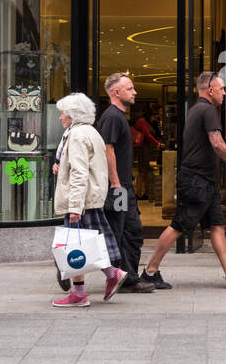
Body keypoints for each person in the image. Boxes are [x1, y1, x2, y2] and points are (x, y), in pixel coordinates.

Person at [140, 72, 226, 290]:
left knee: (217, 224)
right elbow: (216, 142)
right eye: (221, 89)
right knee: (179, 225)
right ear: (209, 90)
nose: (224, 92)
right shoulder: (207, 110)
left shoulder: (197, 110)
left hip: (203, 180)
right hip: (195, 180)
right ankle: (149, 271)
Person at [50, 92, 134, 307]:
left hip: (81, 200)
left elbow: (80, 172)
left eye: (63, 113)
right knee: (85, 245)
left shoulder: (76, 136)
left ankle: (81, 293)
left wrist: (75, 206)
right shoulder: (91, 132)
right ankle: (110, 274)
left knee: (74, 247)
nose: (60, 117)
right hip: (91, 197)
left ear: (73, 115)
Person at [95, 73, 155, 292]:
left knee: (131, 231)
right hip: (118, 188)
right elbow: (107, 149)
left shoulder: (118, 116)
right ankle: (123, 278)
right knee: (122, 231)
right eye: (130, 88)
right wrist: (116, 183)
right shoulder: (112, 117)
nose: (135, 92)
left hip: (123, 187)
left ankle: (127, 276)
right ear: (116, 92)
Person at [132, 105, 163, 196]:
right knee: (142, 172)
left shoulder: (150, 123)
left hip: (147, 150)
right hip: (143, 150)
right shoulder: (142, 122)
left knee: (146, 172)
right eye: (154, 116)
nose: (155, 118)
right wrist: (158, 144)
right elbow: (147, 135)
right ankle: (138, 193)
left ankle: (145, 192)